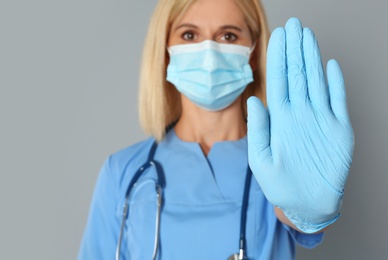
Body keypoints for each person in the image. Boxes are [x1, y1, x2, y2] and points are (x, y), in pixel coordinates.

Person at [78, 0, 354, 259]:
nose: (209, 53)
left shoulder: (280, 163)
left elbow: (301, 219)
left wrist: (313, 213)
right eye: (189, 35)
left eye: (228, 36)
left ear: (254, 53)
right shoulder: (123, 171)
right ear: (164, 51)